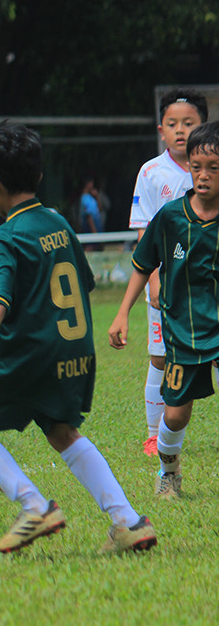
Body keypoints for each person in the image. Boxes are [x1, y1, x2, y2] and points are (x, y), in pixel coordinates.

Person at [0, 124, 156, 554]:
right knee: (61, 429)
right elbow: (84, 283)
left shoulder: (6, 238)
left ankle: (34, 506)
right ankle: (128, 521)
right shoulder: (58, 222)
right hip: (76, 353)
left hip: (32, 359)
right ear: (38, 176)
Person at [109, 120, 219, 502]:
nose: (203, 176)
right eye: (196, 166)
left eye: (214, 168)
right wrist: (122, 313)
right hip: (183, 332)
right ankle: (168, 472)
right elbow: (142, 263)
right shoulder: (171, 218)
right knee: (175, 417)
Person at [128, 89, 208, 456]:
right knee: (160, 358)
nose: (181, 131)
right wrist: (155, 280)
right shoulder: (150, 172)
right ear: (161, 130)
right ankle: (152, 433)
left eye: (189, 123)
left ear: (203, 127)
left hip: (207, 289)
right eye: (173, 124)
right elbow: (146, 234)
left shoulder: (212, 170)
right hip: (166, 286)